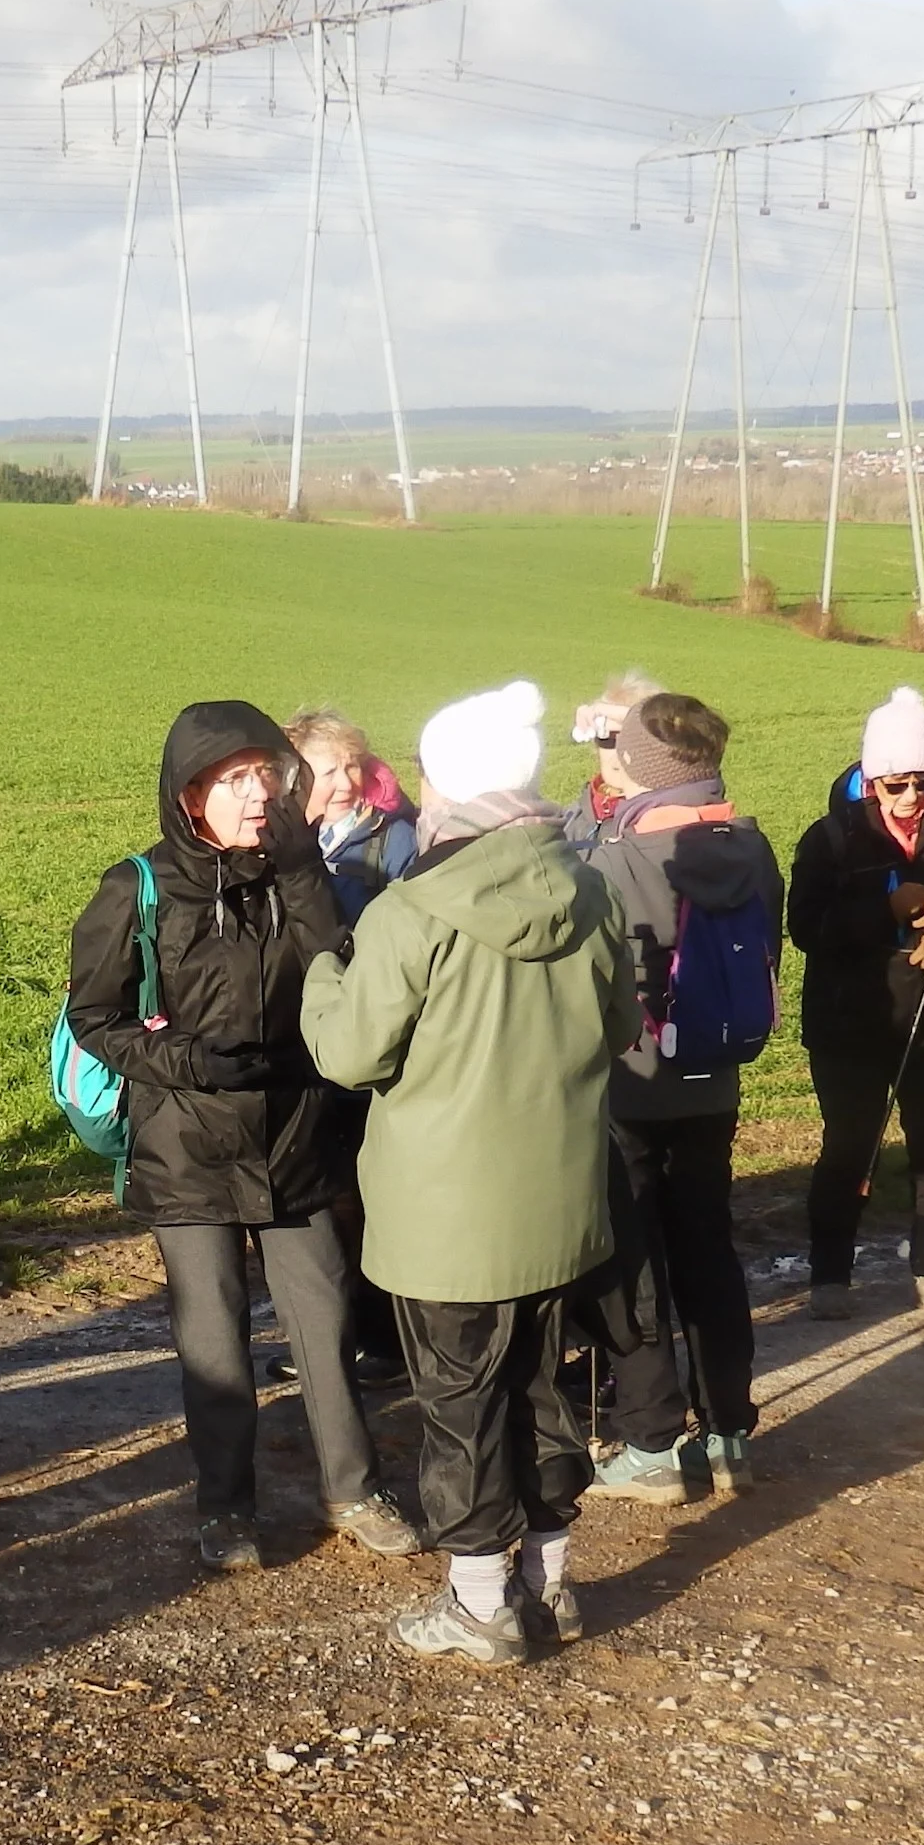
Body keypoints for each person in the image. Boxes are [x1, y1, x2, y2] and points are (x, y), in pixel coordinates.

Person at [305, 681, 634, 1665]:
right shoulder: (592, 891)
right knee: (542, 1391)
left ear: (447, 786)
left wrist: (325, 975)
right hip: (561, 1202)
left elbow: (349, 1056)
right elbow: (619, 1029)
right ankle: (550, 1582)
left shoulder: (412, 913)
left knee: (458, 1408)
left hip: (446, 1220)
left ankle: (480, 1604)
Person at [65, 703, 417, 1572]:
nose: (257, 794)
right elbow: (94, 1016)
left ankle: (354, 1491)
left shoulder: (305, 874)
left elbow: (337, 975)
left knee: (327, 1321)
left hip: (297, 1138)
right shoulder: (137, 887)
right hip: (186, 1146)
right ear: (191, 794)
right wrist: (183, 1059)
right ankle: (226, 1511)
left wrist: (300, 877)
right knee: (215, 1343)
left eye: (266, 774)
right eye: (234, 780)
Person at [579, 689, 780, 1501]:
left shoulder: (614, 855)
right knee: (709, 1250)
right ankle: (729, 1429)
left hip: (630, 1083)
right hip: (715, 1076)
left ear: (639, 763)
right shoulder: (752, 845)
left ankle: (652, 1443)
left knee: (636, 1264)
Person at [786, 685, 924, 1320]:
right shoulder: (827, 839)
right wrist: (886, 908)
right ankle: (830, 1278)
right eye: (896, 784)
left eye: (923, 782)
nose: (912, 798)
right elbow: (805, 929)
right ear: (870, 779)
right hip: (850, 1021)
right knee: (849, 1147)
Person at [284, 705, 416, 1383]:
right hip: (302, 1036)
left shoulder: (391, 839)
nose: (343, 779)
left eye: (350, 764)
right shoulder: (286, 839)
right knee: (317, 1193)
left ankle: (381, 1341)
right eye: (327, 767)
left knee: (360, 1192)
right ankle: (325, 1337)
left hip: (364, 1030)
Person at [287, 708, 416, 923]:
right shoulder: (273, 840)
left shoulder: (398, 842)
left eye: (352, 768)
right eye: (329, 774)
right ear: (296, 781)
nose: (346, 785)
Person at [559, 670, 661, 846]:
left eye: (632, 740)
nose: (619, 755)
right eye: (607, 739)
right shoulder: (573, 817)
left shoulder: (666, 822)